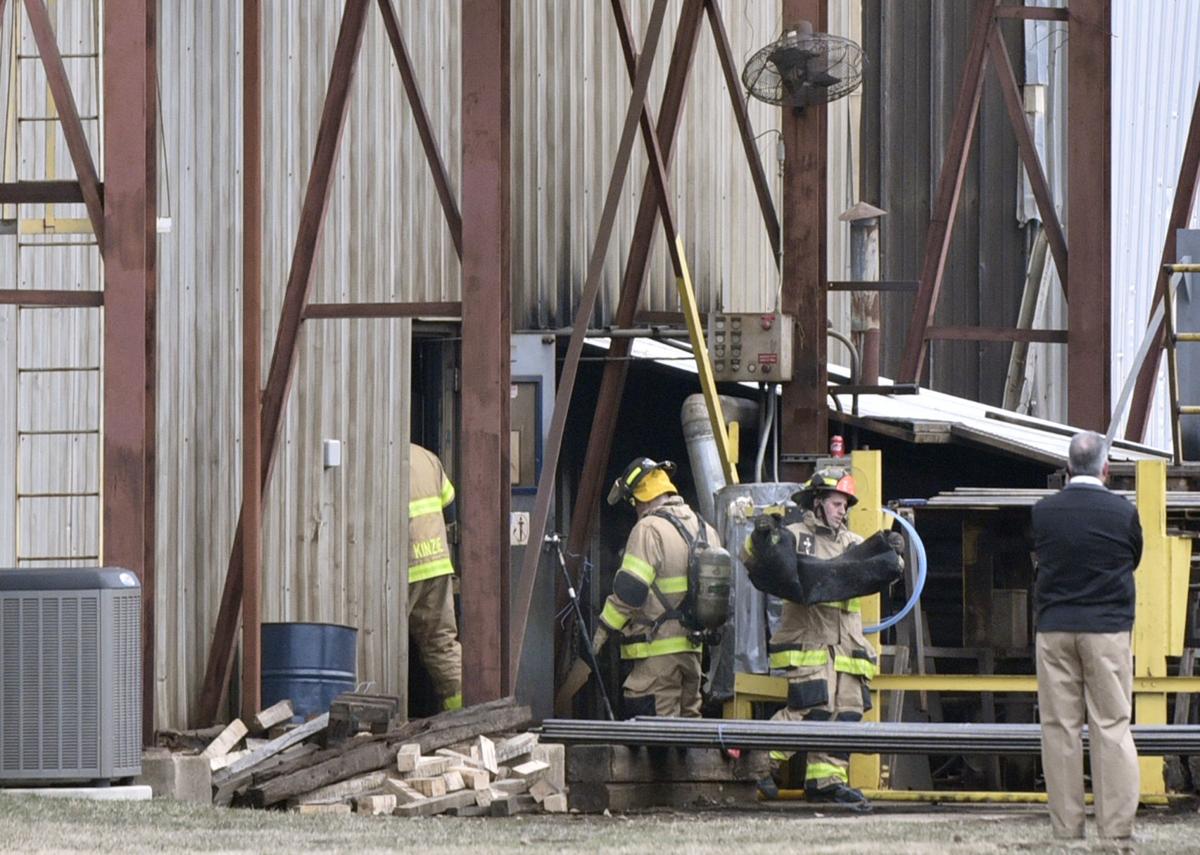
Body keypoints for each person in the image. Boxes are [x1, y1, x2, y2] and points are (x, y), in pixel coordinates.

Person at [1032, 431, 1141, 844]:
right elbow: (1135, 556)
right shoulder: (1122, 513)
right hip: (1107, 630)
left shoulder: (1043, 512)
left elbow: (1040, 557)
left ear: (1067, 467)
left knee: (1059, 727)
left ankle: (1066, 830)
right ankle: (1115, 830)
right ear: (1106, 468)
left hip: (1055, 628)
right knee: (1110, 725)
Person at [747, 467, 876, 810]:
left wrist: (894, 551)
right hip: (810, 644)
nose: (842, 511)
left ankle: (826, 782)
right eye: (836, 503)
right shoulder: (794, 535)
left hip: (847, 648)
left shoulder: (853, 543)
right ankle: (757, 765)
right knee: (810, 710)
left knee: (845, 716)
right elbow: (756, 560)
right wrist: (760, 536)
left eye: (845, 505)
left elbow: (884, 567)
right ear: (817, 503)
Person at [592, 457, 719, 718]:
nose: (636, 510)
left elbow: (630, 593)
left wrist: (602, 632)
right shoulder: (705, 529)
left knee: (656, 735)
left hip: (657, 656)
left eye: (634, 503)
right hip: (693, 655)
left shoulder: (649, 528)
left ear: (643, 498)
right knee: (688, 730)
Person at [408, 442, 462, 711]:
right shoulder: (429, 459)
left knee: (383, 642)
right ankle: (462, 712)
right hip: (437, 564)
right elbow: (450, 509)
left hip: (402, 567)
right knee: (441, 643)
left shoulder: (378, 458)